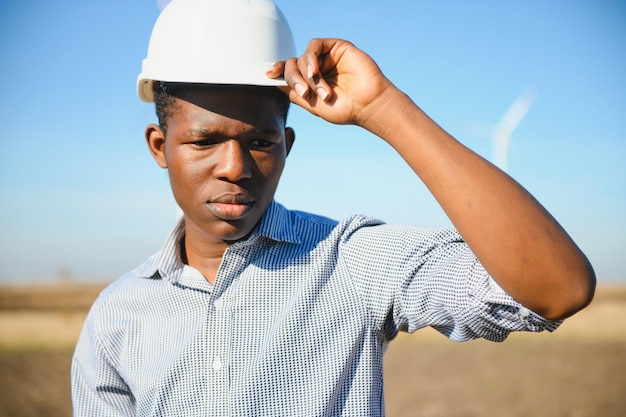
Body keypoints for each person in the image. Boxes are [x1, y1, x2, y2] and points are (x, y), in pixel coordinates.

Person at [71, 0, 595, 416]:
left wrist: (383, 108)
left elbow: (557, 289)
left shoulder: (350, 261)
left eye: (260, 141)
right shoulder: (117, 318)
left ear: (288, 146)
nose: (235, 167)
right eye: (204, 141)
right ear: (160, 147)